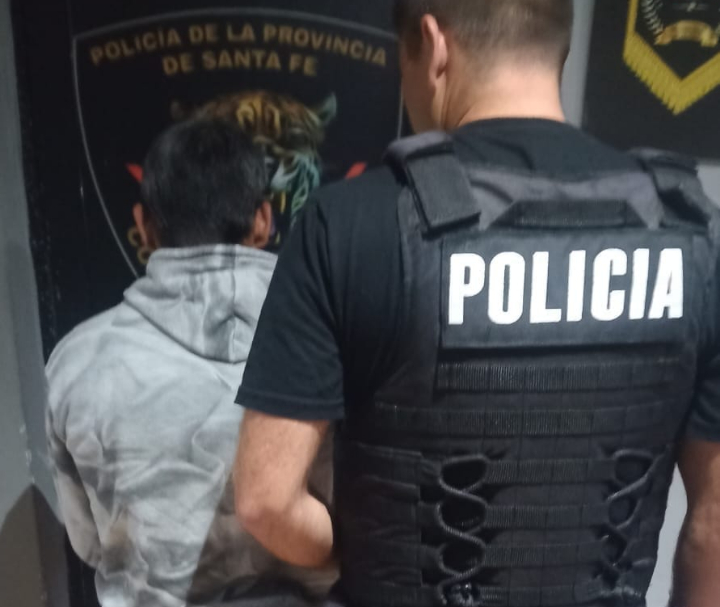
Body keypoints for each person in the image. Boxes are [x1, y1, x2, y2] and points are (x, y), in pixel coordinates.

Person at [232, 1, 720, 607]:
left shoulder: (351, 222)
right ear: (558, 43)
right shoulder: (692, 234)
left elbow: (265, 500)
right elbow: (713, 521)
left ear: (434, 46)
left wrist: (367, 552)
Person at [46, 119, 335, 607]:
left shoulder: (77, 362)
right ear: (263, 220)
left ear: (143, 225)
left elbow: (89, 543)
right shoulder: (338, 342)